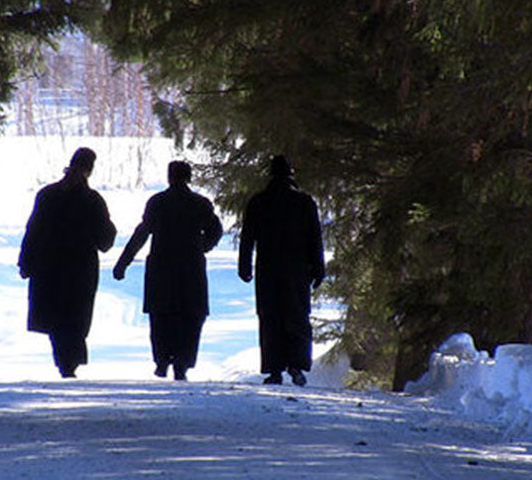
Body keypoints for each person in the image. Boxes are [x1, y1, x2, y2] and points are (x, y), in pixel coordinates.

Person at [113, 161, 223, 380]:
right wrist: (203, 246)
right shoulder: (200, 203)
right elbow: (216, 230)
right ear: (189, 177)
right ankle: (182, 362)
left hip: (161, 268)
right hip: (190, 267)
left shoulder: (157, 202)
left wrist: (123, 262)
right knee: (190, 316)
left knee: (161, 316)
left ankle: (162, 360)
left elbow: (142, 233)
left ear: (169, 177)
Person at [18, 147, 116, 378]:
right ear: (90, 169)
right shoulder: (92, 200)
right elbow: (106, 238)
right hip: (80, 268)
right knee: (76, 315)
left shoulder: (47, 195)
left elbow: (33, 230)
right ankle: (70, 361)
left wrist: (26, 261)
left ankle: (64, 361)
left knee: (54, 315)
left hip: (48, 266)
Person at [238, 155, 324, 386]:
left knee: (270, 316)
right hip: (297, 269)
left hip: (268, 268)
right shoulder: (305, 202)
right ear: (291, 174)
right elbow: (315, 238)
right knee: (297, 315)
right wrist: (318, 268)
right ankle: (296, 366)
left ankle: (274, 369)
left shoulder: (259, 201)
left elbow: (247, 237)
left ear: (270, 174)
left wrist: (244, 265)